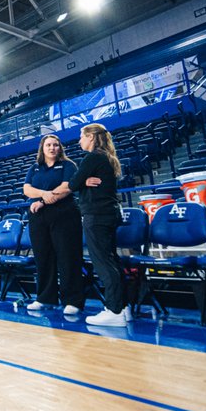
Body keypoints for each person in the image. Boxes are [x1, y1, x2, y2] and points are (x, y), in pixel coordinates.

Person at [54, 123, 126, 326]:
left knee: (103, 262)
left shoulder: (93, 157)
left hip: (97, 215)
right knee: (112, 261)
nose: (79, 140)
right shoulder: (106, 157)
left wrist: (81, 181)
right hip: (108, 214)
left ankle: (114, 310)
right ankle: (123, 306)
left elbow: (74, 183)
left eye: (82, 136)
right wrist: (83, 181)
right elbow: (79, 181)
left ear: (92, 137)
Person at [22, 135, 83, 317]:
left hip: (64, 215)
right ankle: (45, 298)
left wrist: (42, 200)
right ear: (42, 148)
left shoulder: (68, 165)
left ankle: (73, 301)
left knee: (68, 257)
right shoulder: (35, 167)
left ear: (60, 148)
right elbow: (27, 189)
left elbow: (66, 187)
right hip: (38, 217)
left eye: (56, 145)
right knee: (43, 257)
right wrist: (43, 194)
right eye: (48, 145)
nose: (52, 148)